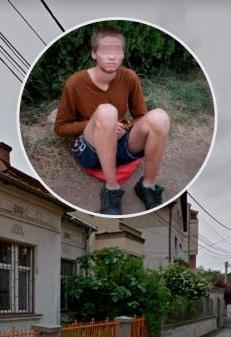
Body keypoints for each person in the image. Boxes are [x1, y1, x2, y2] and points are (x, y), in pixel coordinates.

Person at [54, 25, 170, 215]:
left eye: (117, 51)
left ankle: (148, 185)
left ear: (122, 55)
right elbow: (60, 127)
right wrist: (100, 124)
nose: (112, 57)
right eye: (106, 51)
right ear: (94, 54)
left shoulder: (129, 77)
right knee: (107, 112)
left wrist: (125, 127)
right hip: (91, 149)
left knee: (160, 117)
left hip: (121, 144)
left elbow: (140, 116)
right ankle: (112, 189)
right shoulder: (75, 83)